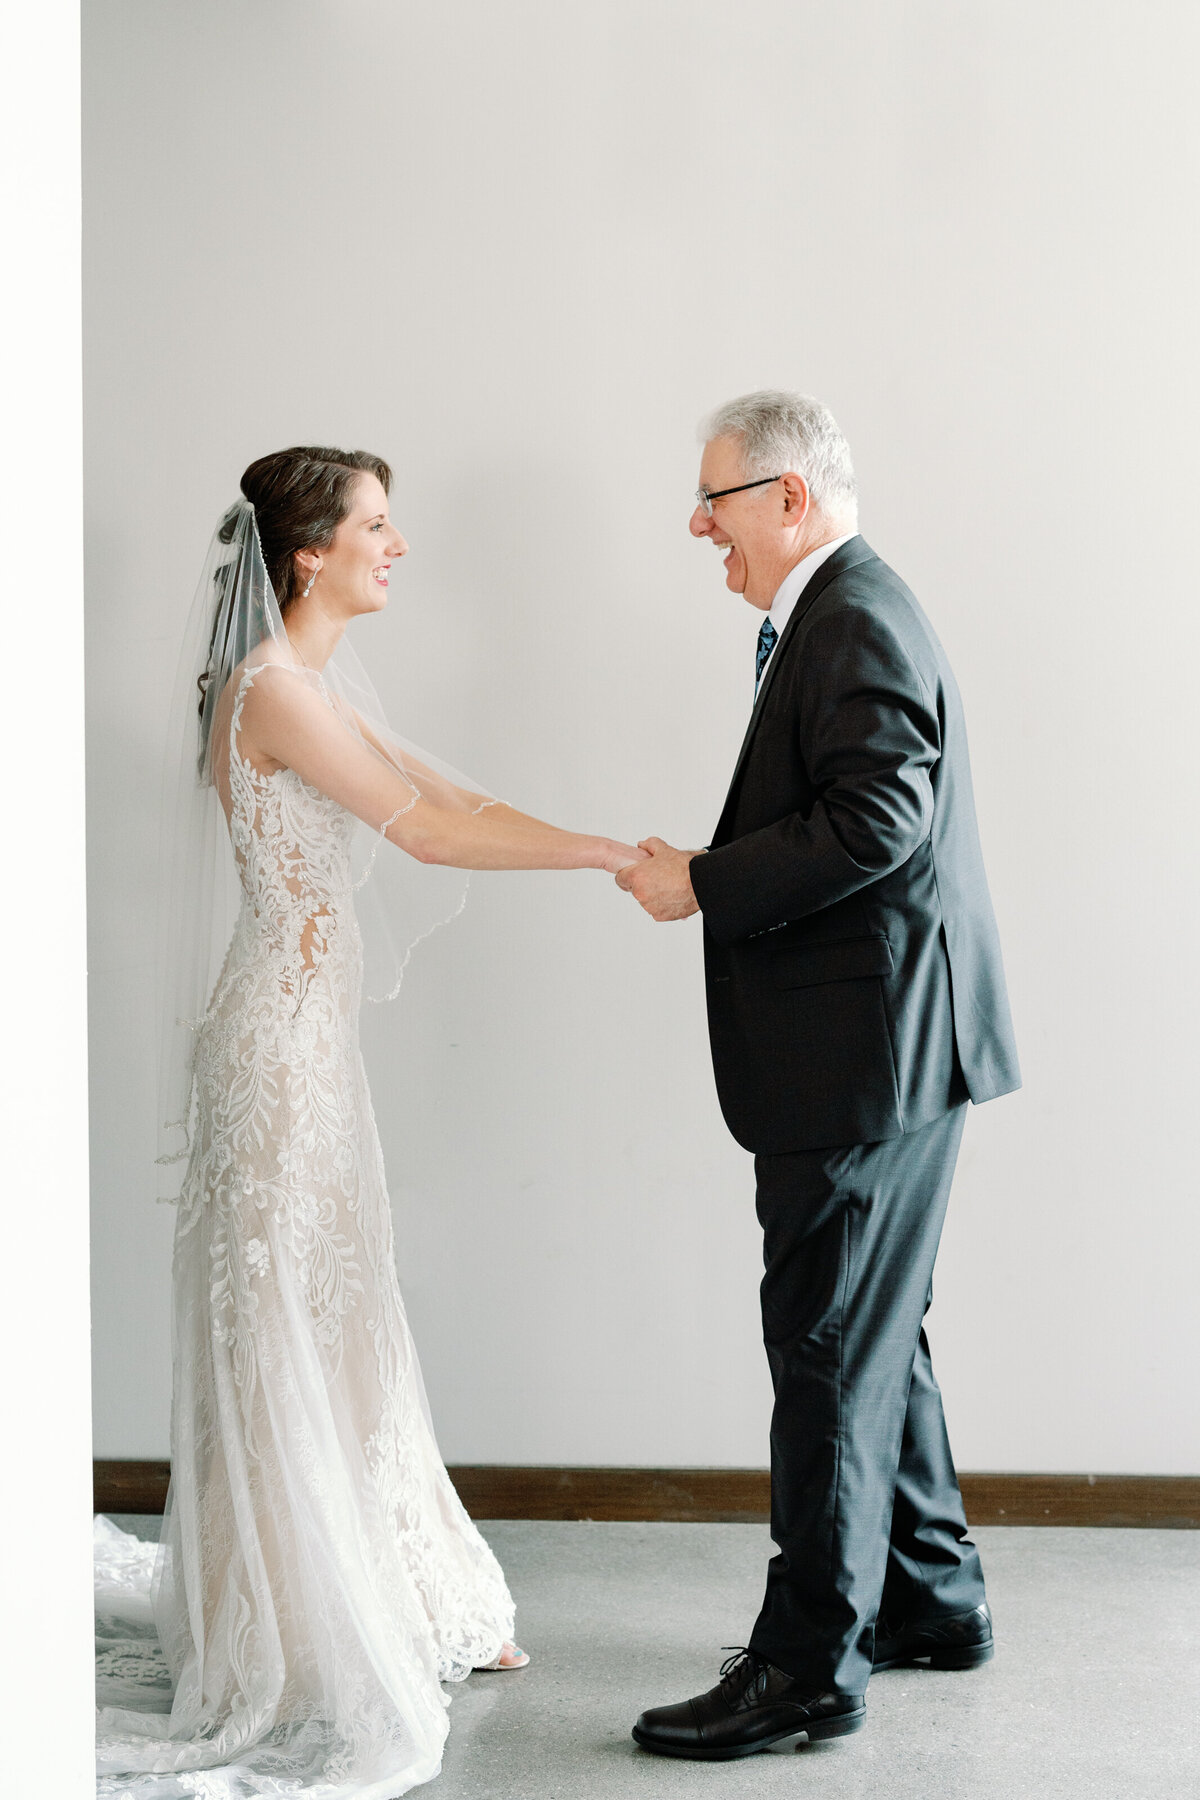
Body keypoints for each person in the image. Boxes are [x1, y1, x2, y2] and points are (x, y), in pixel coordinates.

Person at [95, 446, 644, 1800]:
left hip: (310, 1049)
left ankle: (377, 1581)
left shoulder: (314, 688)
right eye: (376, 527)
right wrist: (613, 860)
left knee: (338, 1315)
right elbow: (434, 839)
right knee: (287, 1316)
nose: (396, 546)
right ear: (307, 555)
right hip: (274, 1055)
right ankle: (294, 1623)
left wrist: (608, 840)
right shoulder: (272, 693)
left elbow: (451, 799)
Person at [618, 391, 1020, 1760]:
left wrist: (704, 883)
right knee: (875, 1330)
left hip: (868, 1054)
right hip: (894, 1041)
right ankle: (930, 1596)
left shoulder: (852, 616)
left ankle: (808, 1667)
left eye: (714, 498)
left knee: (831, 1347)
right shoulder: (848, 608)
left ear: (789, 497)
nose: (698, 524)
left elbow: (878, 820)